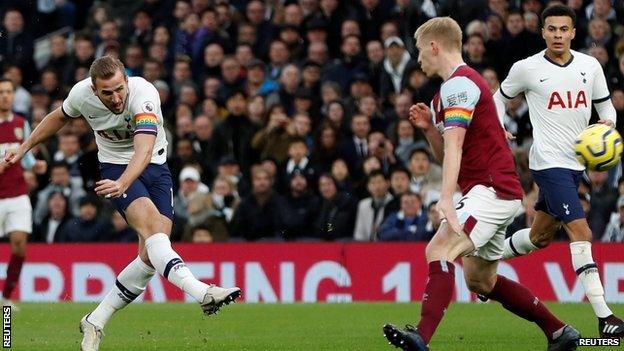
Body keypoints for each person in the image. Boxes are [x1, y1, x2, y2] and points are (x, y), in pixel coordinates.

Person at [2, 56, 240, 351]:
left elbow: (143, 148)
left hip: (154, 166)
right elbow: (59, 116)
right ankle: (203, 291)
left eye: (119, 90)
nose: (115, 98)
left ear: (126, 82)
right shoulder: (81, 95)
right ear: (94, 89)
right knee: (154, 229)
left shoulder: (144, 94)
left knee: (151, 254)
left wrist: (125, 183)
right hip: (114, 167)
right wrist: (24, 146)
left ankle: (95, 319)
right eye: (107, 92)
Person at [383, 17, 579, 351]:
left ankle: (421, 336)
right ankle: (560, 332)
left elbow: (457, 146)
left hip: (489, 190)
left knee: (438, 249)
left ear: (434, 46)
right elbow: (448, 149)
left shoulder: (459, 84)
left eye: (419, 50)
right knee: (480, 279)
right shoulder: (444, 96)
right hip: (493, 193)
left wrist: (446, 199)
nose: (417, 59)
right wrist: (430, 129)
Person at [495, 5, 623, 337]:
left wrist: (608, 123)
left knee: (539, 237)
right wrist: (499, 128)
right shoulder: (527, 68)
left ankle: (486, 260)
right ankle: (605, 319)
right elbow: (497, 99)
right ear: (543, 32)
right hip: (549, 163)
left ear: (573, 33)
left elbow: (606, 106)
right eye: (551, 29)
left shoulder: (589, 65)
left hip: (577, 164)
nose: (557, 35)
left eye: (563, 29)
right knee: (581, 233)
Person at [0, 78, 46, 309]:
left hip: (17, 194)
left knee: (19, 245)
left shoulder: (20, 123)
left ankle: (6, 296)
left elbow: (25, 156)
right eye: (2, 92)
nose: (6, 96)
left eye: (9, 92)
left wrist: (35, 165)